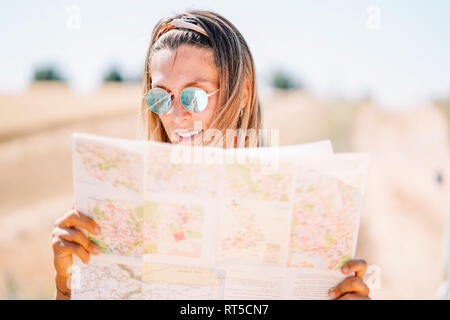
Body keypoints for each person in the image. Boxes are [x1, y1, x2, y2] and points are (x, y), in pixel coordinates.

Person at [51, 9, 371, 300]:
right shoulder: (120, 209)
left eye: (194, 96)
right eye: (161, 98)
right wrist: (67, 286)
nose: (177, 116)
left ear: (242, 92)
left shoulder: (311, 206)